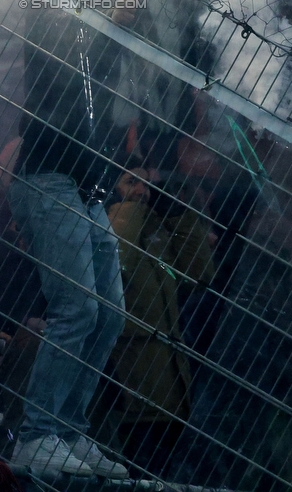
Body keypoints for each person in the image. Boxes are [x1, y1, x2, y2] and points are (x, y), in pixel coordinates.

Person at [7, 0, 141, 477]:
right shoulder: (48, 10)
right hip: (47, 179)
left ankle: (66, 430)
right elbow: (43, 12)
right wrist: (108, 10)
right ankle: (37, 435)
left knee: (109, 315)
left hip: (87, 190)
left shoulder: (102, 40)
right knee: (77, 307)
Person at [107, 165, 214, 478]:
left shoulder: (156, 229)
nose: (142, 191)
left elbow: (200, 273)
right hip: (132, 386)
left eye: (147, 184)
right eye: (131, 182)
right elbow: (118, 260)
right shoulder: (112, 222)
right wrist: (127, 208)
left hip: (171, 390)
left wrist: (178, 215)